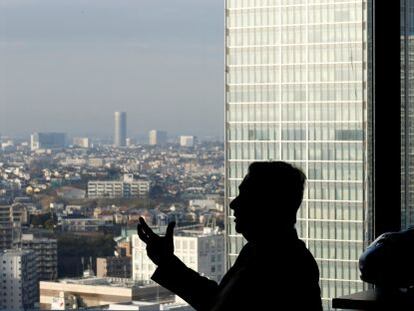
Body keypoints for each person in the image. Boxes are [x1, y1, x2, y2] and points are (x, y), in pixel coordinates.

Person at [137, 161, 322, 311]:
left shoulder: (277, 263)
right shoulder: (267, 253)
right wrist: (167, 261)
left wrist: (167, 262)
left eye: (245, 196)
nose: (233, 204)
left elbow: (218, 303)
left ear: (267, 206)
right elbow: (218, 300)